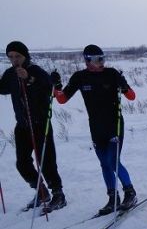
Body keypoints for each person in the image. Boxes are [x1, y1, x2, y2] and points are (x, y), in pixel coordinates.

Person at [51, 45, 138, 215]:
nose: (100, 63)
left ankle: (130, 193)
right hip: (96, 128)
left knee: (113, 161)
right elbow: (62, 99)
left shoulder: (112, 74)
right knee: (104, 163)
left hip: (114, 125)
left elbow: (132, 96)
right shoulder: (80, 77)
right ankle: (113, 198)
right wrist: (56, 85)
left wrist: (125, 86)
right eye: (96, 59)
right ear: (87, 60)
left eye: (102, 58)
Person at [1, 41, 66, 213]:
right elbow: (2, 88)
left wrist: (29, 79)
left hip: (40, 123)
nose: (15, 60)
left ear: (25, 56)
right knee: (22, 163)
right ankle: (41, 191)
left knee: (46, 161)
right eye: (11, 57)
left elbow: (49, 89)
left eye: (18, 56)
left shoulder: (36, 71)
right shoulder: (9, 74)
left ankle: (58, 194)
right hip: (22, 124)